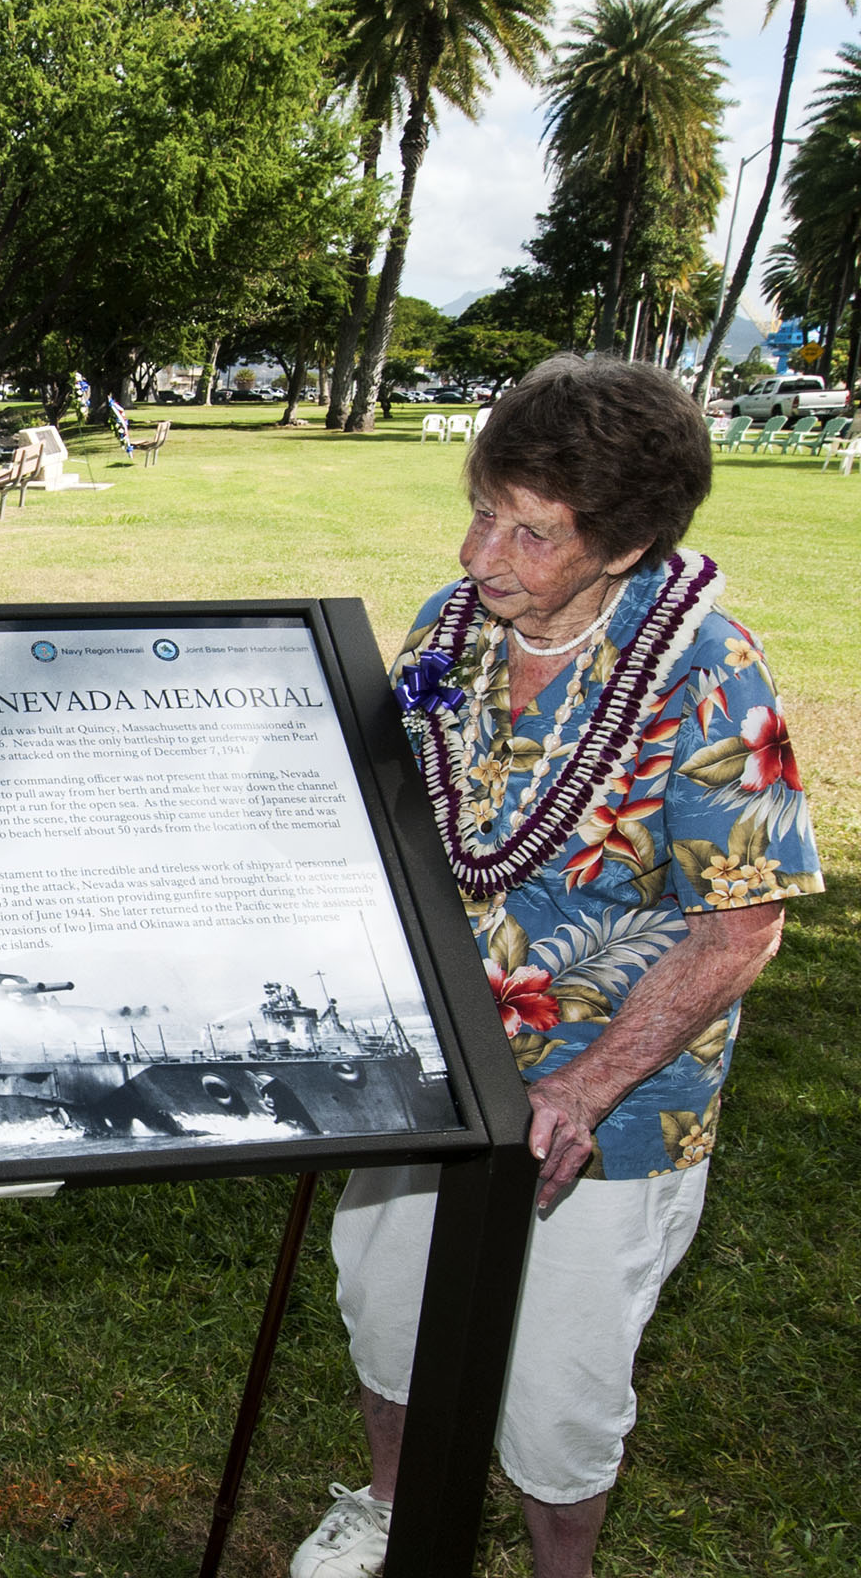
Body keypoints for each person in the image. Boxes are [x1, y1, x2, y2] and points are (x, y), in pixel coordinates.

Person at [290, 354, 821, 1578]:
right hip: (431, 1072)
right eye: (481, 508)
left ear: (624, 546)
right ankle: (386, 1501)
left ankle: (559, 1567)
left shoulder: (708, 673)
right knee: (388, 1306)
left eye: (530, 534)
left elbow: (742, 926)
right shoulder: (451, 622)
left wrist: (583, 1090)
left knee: (560, 1382)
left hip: (614, 1094)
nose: (484, 556)